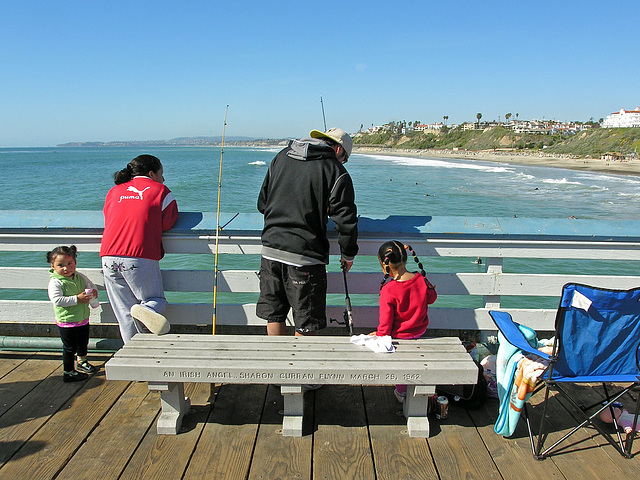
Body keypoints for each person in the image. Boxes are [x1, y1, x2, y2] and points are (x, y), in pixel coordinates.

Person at [256, 127, 359, 337]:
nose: (342, 163)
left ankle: (279, 365)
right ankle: (299, 368)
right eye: (344, 159)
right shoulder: (336, 171)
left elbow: (263, 203)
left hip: (270, 250)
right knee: (306, 323)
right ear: (339, 149)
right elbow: (346, 221)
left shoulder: (281, 157)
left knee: (274, 315)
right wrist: (348, 254)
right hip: (305, 257)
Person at [100, 154, 179, 343]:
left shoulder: (114, 191)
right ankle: (148, 310)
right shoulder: (161, 191)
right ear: (151, 173)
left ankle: (132, 354)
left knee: (125, 314)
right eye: (161, 173)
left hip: (108, 255)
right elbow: (168, 222)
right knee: (155, 300)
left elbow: (108, 216)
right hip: (139, 254)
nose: (163, 178)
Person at [372, 240, 437, 402]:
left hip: (400, 336)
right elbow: (432, 298)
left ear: (384, 264)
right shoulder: (420, 279)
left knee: (401, 364)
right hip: (419, 331)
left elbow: (386, 324)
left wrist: (379, 335)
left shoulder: (388, 290)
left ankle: (402, 392)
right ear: (406, 258)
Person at [46, 245, 98, 382]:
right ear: (53, 266)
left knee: (83, 343)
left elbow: (91, 285)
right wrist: (77, 299)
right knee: (69, 347)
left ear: (75, 263)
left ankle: (82, 361)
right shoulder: (56, 282)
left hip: (82, 318)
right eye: (61, 265)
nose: (66, 268)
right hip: (67, 322)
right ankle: (68, 371)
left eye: (70, 263)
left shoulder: (80, 277)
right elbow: (57, 300)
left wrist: (93, 291)